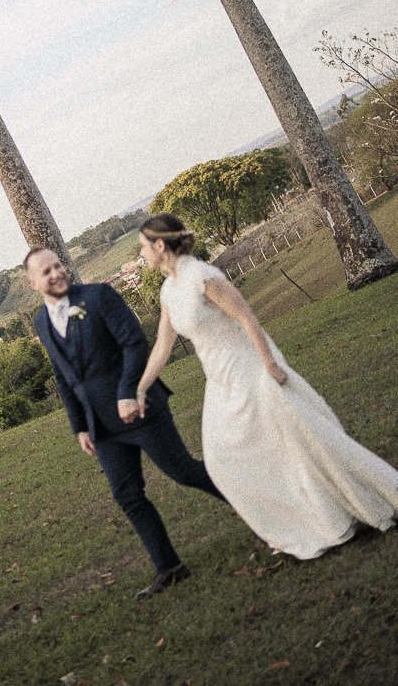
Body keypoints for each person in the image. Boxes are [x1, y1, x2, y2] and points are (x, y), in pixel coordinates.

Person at [135, 213, 398, 559]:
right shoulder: (169, 290)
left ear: (159, 245)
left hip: (250, 367)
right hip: (219, 380)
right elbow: (163, 346)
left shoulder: (204, 276)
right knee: (220, 460)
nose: (141, 255)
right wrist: (140, 388)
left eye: (142, 247)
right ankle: (294, 522)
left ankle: (353, 507)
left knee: (299, 439)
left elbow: (246, 317)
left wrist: (270, 364)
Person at [24, 246, 225, 599]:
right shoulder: (41, 322)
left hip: (141, 408)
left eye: (58, 264)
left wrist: (128, 392)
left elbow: (135, 344)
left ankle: (260, 507)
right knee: (128, 496)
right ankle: (170, 567)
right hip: (102, 428)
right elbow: (63, 376)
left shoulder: (99, 296)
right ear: (32, 283)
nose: (56, 273)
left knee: (184, 472)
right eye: (46, 271)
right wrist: (79, 427)